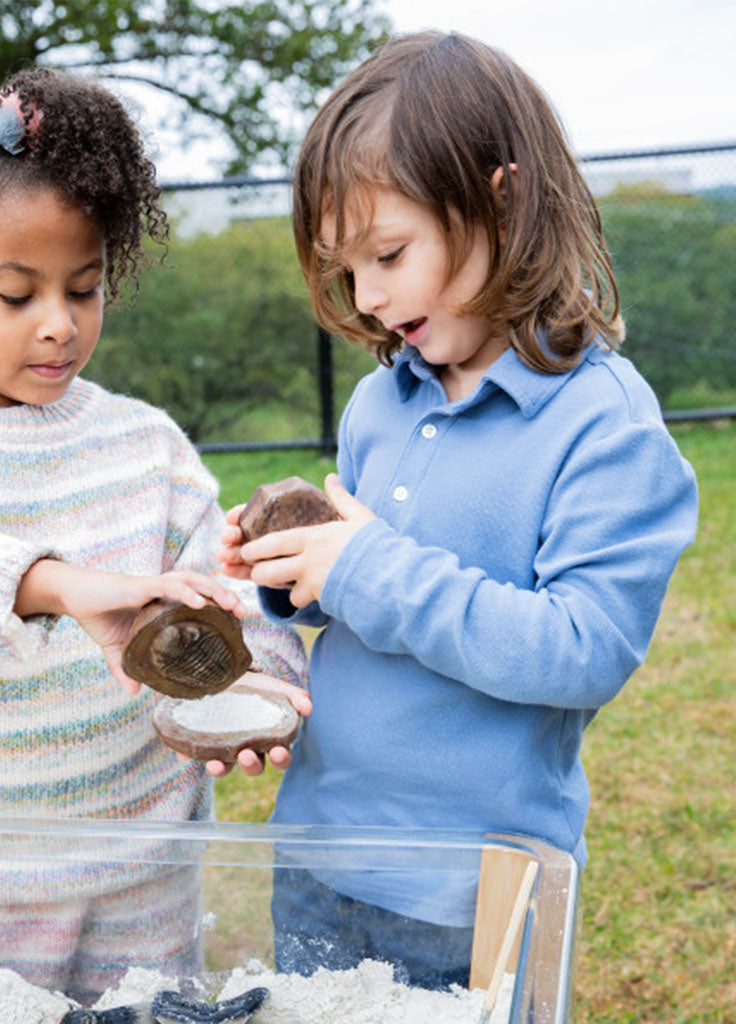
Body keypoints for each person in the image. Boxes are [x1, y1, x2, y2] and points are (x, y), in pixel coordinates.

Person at [0, 67, 308, 1003]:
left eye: (84, 287)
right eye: (16, 294)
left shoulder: (144, 443)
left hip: (142, 859)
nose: (58, 326)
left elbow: (223, 592)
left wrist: (260, 675)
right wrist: (50, 583)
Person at [220, 30, 698, 989]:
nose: (368, 293)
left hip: (471, 887)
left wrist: (361, 566)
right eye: (347, 267)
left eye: (390, 252)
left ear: (503, 200)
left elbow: (583, 650)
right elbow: (361, 596)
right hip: (317, 853)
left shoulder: (605, 428)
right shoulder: (379, 403)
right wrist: (293, 575)